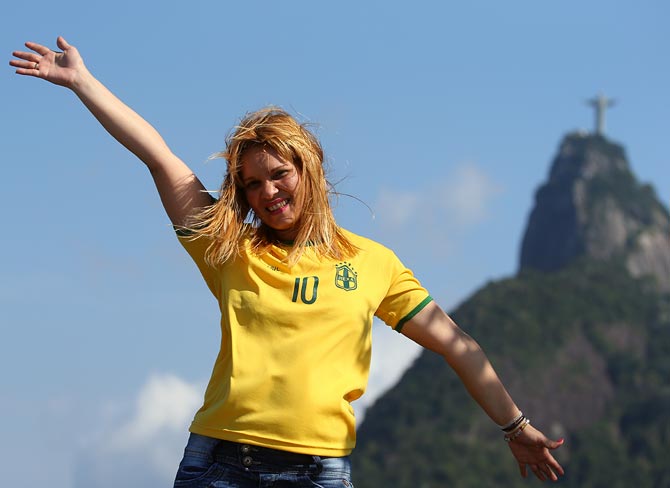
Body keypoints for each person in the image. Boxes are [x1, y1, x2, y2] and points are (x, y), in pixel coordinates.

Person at [10, 37, 565, 487]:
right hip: (217, 464)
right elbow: (159, 157)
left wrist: (514, 425)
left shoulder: (373, 263)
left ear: (310, 167)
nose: (268, 192)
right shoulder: (229, 248)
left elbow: (458, 347)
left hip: (317, 472)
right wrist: (83, 83)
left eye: (279, 174)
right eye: (252, 184)